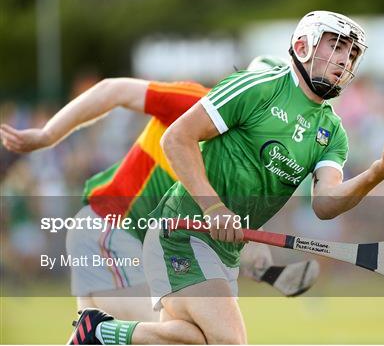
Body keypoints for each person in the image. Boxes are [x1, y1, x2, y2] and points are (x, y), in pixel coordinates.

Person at [66, 10, 384, 345]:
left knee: (198, 340)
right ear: (303, 46)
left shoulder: (331, 131)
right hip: (182, 231)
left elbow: (325, 204)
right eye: (336, 46)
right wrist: (213, 207)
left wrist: (373, 176)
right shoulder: (256, 87)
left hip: (225, 250)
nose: (345, 60)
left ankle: (99, 332)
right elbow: (176, 138)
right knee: (231, 341)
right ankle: (97, 333)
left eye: (351, 54)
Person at [0, 56, 319, 330]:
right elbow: (114, 90)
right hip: (111, 232)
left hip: (141, 252)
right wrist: (47, 134)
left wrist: (251, 252)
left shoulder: (248, 163)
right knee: (179, 334)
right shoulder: (199, 104)